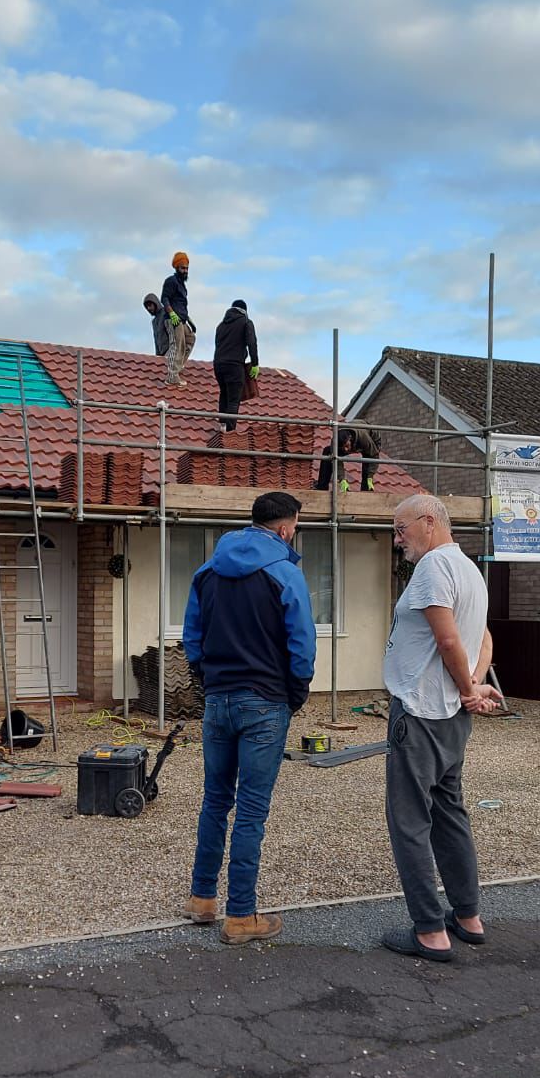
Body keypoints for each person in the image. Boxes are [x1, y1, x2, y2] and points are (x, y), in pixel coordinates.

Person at [182, 491, 316, 944]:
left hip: (218, 700)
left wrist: (209, 680)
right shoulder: (285, 573)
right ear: (284, 528)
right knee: (252, 810)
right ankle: (241, 916)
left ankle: (202, 901)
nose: (293, 533)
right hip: (265, 702)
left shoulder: (207, 571)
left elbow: (192, 638)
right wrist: (294, 693)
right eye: (294, 526)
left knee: (214, 800)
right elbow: (302, 642)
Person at [381, 494, 502, 963]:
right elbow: (483, 638)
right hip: (452, 717)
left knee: (409, 821)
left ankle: (431, 931)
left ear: (428, 522)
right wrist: (471, 684)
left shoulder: (433, 567)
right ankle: (468, 916)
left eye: (401, 529)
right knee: (450, 812)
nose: (398, 540)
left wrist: (467, 687)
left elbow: (449, 638)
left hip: (422, 711)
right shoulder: (470, 570)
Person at [213, 299, 259, 431]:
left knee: (224, 393)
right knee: (234, 399)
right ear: (244, 311)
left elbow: (218, 345)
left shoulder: (220, 326)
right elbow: (252, 343)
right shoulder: (246, 322)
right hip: (234, 365)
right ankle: (230, 431)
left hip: (218, 365)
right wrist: (255, 363)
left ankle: (222, 425)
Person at [161, 251, 196, 384]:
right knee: (177, 344)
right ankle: (172, 376)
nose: (185, 271)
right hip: (173, 319)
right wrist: (171, 313)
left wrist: (189, 321)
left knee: (190, 339)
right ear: (176, 268)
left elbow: (181, 305)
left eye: (186, 268)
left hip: (182, 319)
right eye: (182, 268)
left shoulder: (182, 285)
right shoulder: (171, 281)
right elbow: (164, 298)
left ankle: (179, 365)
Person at [315, 425, 379, 492]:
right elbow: (336, 461)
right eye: (343, 448)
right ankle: (322, 487)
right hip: (353, 440)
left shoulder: (363, 438)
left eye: (346, 446)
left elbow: (374, 455)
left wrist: (370, 476)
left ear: (350, 438)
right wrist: (342, 479)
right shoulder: (335, 443)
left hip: (372, 438)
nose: (346, 449)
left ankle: (366, 490)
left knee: (367, 462)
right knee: (327, 451)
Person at [143, 292, 183, 385]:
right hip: (161, 353)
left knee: (170, 374)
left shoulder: (166, 313)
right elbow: (156, 340)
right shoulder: (154, 322)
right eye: (147, 307)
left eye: (150, 305)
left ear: (155, 303)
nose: (149, 308)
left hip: (170, 350)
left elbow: (174, 332)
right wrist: (157, 357)